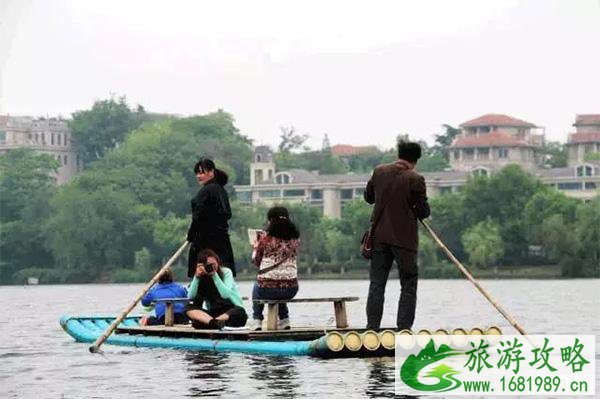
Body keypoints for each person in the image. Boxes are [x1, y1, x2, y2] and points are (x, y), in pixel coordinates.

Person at [364, 141, 430, 330]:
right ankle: (404, 329)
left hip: (379, 238)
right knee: (408, 284)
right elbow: (424, 211)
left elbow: (368, 197)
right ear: (416, 160)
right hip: (404, 240)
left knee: (377, 284)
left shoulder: (379, 172)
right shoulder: (415, 178)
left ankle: (372, 328)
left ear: (399, 154)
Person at [249, 206, 300, 331]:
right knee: (281, 284)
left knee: (258, 287)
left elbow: (256, 261)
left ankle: (257, 320)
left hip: (267, 289)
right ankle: (284, 320)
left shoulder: (265, 238)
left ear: (270, 221)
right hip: (291, 289)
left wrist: (255, 247)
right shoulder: (295, 239)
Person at [187, 158, 236, 278]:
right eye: (197, 173)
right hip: (221, 241)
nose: (199, 176)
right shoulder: (220, 190)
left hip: (206, 241)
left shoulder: (207, 191)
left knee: (204, 273)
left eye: (202, 172)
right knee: (222, 271)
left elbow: (198, 217)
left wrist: (191, 234)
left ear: (211, 172)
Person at [186, 248, 247, 330]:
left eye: (214, 264)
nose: (212, 267)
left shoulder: (226, 272)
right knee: (188, 308)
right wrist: (196, 277)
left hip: (231, 312)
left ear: (218, 262)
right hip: (213, 314)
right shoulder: (201, 277)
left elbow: (225, 295)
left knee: (240, 311)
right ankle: (214, 323)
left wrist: (214, 275)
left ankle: (214, 323)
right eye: (208, 265)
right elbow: (190, 296)